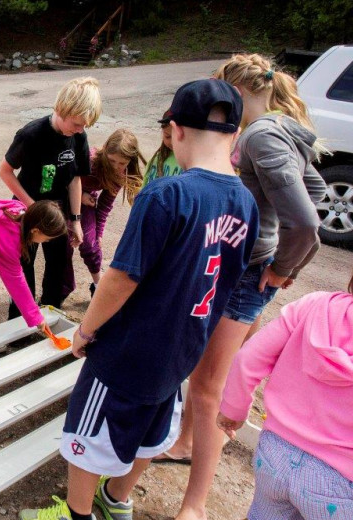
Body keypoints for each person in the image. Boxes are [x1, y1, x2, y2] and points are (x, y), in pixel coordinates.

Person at [19, 79, 258, 520]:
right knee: (154, 431)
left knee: (84, 440)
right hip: (184, 348)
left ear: (177, 130)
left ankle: (79, 514)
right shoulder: (246, 202)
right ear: (235, 137)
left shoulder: (168, 193)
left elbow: (121, 278)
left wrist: (86, 330)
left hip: (129, 351)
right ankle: (118, 500)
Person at [166, 55, 327, 520]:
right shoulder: (279, 128)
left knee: (209, 386)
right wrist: (271, 224)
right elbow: (313, 190)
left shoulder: (260, 134)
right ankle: (183, 444)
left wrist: (283, 266)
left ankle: (194, 505)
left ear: (237, 90)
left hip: (246, 275)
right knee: (214, 375)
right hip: (250, 270)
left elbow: (307, 221)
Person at [217, 270, 353, 520]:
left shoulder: (315, 304)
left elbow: (249, 357)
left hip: (274, 455)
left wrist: (233, 410)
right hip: (342, 483)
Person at [0, 77, 99, 315]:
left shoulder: (79, 137)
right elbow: (5, 171)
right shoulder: (31, 134)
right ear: (60, 110)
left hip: (59, 213)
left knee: (58, 264)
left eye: (84, 126)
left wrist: (75, 220)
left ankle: (50, 313)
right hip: (27, 210)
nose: (80, 130)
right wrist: (32, 206)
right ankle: (22, 317)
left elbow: (75, 179)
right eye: (76, 123)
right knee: (25, 264)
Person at [0, 200, 67, 362]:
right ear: (36, 230)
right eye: (46, 238)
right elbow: (15, 281)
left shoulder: (21, 214)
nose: (47, 242)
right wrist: (35, 317)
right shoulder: (8, 239)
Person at [67, 128, 145, 299]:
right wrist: (79, 196)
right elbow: (61, 179)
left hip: (87, 202)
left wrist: (99, 233)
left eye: (122, 163)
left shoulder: (120, 174)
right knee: (65, 245)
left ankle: (98, 285)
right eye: (112, 161)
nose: (116, 167)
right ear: (105, 149)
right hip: (64, 196)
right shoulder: (89, 160)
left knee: (90, 243)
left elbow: (104, 206)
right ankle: (62, 288)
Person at [142, 111, 182, 187]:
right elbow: (143, 190)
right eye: (167, 136)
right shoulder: (155, 160)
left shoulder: (188, 164)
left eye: (176, 137)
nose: (172, 142)